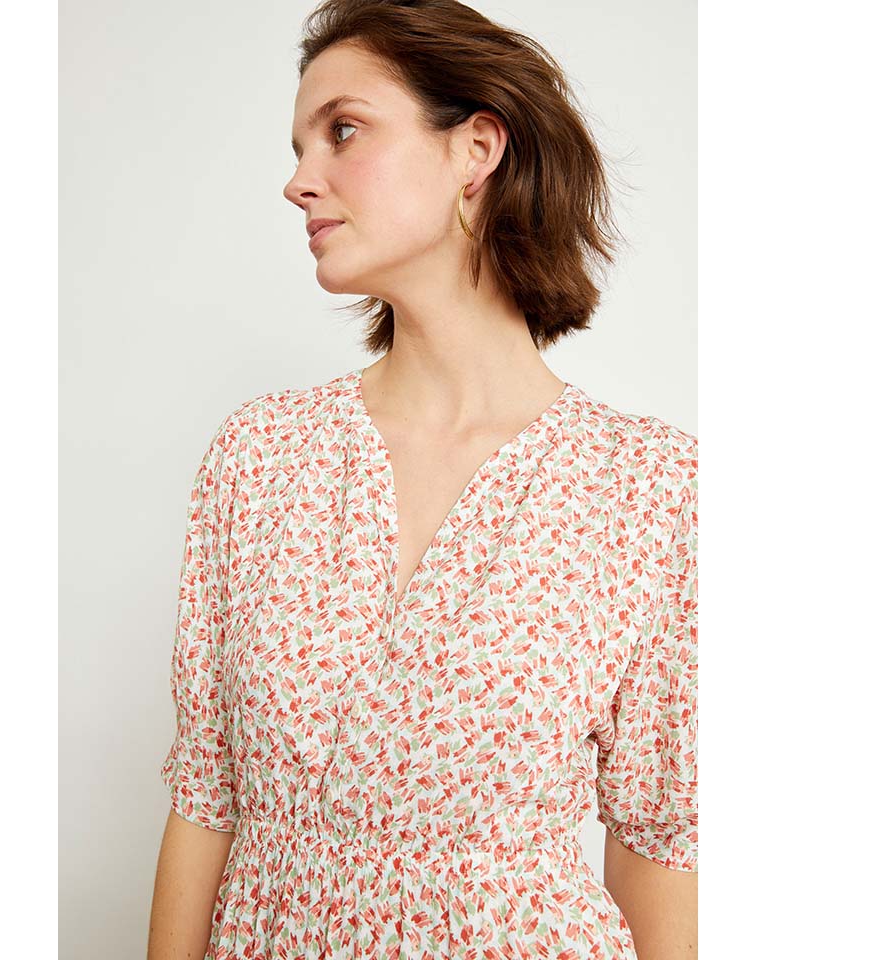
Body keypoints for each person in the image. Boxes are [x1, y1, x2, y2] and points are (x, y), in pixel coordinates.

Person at [147, 2, 698, 958]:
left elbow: (657, 845)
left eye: (342, 131)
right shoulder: (260, 457)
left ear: (475, 149)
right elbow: (207, 796)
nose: (297, 180)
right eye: (299, 146)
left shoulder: (649, 489)